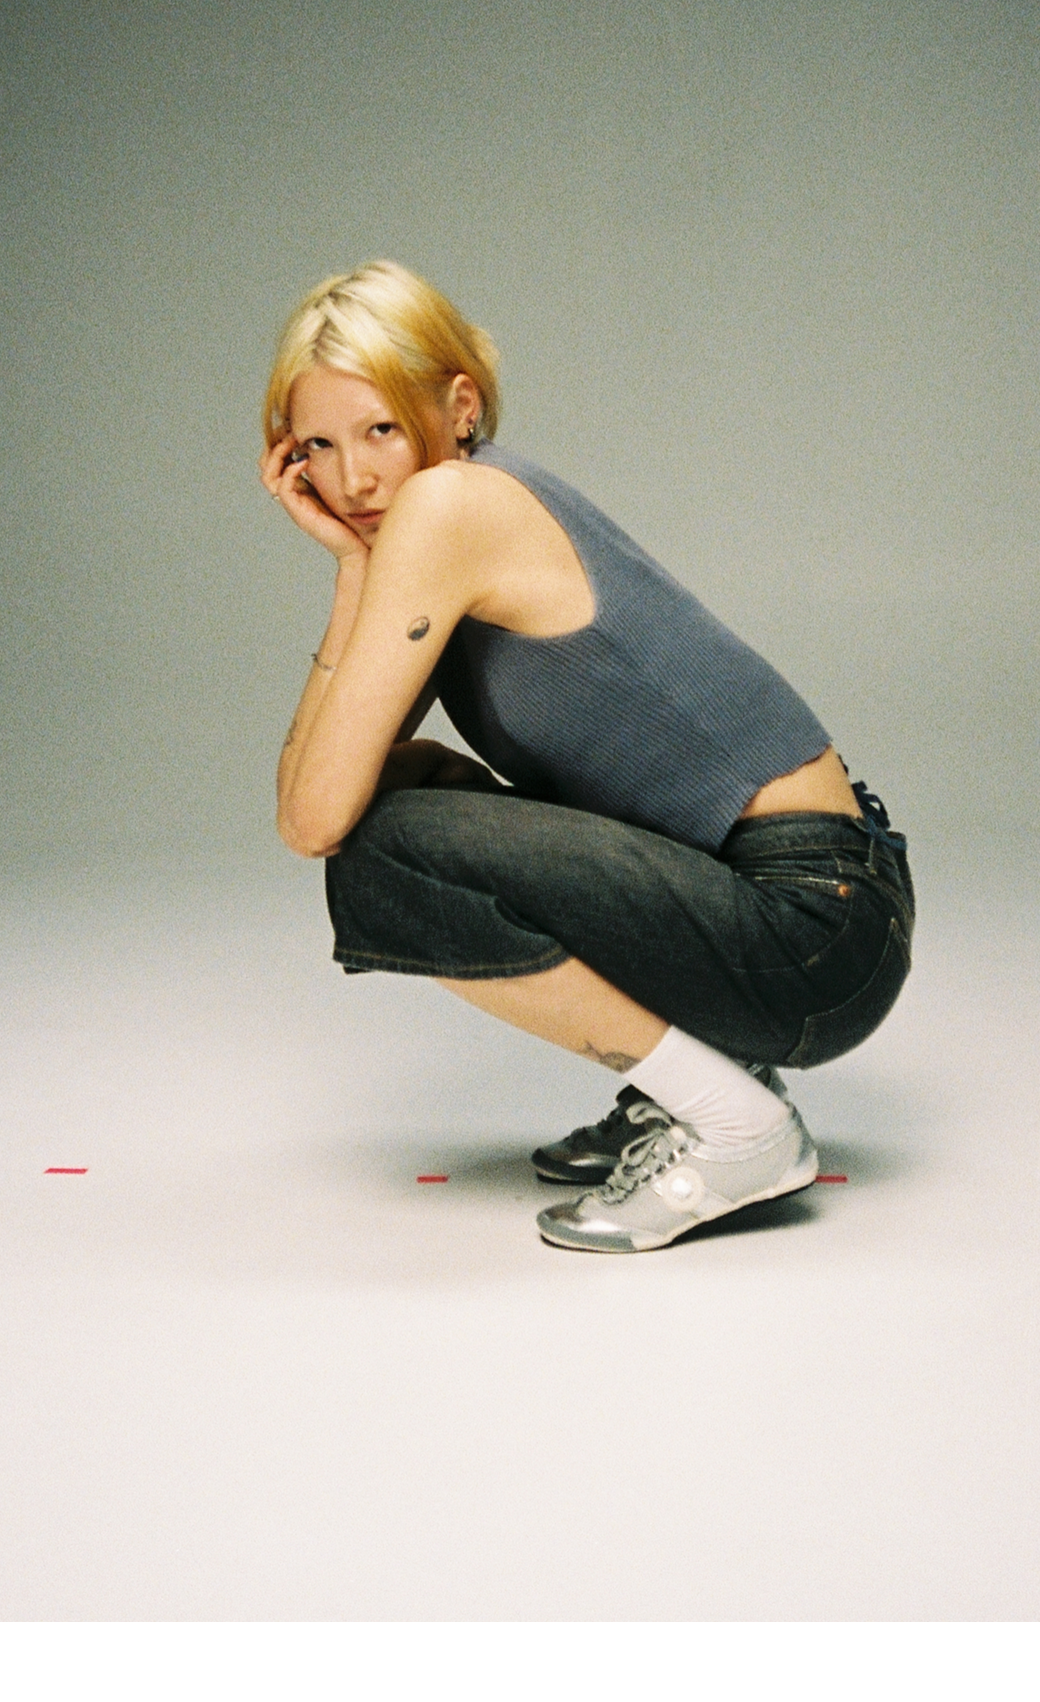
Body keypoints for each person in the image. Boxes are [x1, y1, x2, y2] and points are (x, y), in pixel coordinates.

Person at [258, 259, 915, 1253]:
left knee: (384, 852)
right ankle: (705, 1083)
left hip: (814, 927)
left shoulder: (451, 508)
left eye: (381, 429)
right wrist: (354, 568)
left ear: (459, 407)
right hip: (822, 904)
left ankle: (735, 1125)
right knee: (400, 790)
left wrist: (363, 566)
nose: (351, 480)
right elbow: (314, 797)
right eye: (319, 445)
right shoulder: (436, 526)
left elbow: (313, 824)